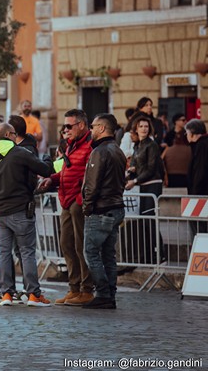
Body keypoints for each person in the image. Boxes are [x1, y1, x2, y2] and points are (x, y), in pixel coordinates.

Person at [0, 122, 54, 307]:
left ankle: (7, 294)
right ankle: (33, 295)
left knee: (3, 251)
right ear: (10, 135)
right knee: (26, 252)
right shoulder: (19, 153)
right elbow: (45, 170)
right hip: (20, 210)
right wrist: (48, 159)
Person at [39, 109, 94, 306]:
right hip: (66, 198)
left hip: (77, 201)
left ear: (81, 125)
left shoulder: (90, 145)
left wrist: (81, 198)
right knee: (66, 243)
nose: (66, 130)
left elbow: (91, 176)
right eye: (64, 127)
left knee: (81, 245)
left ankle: (86, 289)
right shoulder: (71, 145)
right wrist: (51, 179)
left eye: (69, 126)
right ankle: (74, 287)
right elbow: (64, 171)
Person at [81, 113, 126, 309]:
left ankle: (104, 293)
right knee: (108, 254)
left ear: (101, 128)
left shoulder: (99, 152)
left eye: (92, 126)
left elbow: (92, 184)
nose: (90, 130)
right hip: (115, 208)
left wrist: (87, 206)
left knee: (91, 252)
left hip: (101, 209)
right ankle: (110, 294)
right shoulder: (117, 150)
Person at [125, 116, 165, 264]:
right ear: (136, 128)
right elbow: (135, 167)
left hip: (153, 184)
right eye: (141, 126)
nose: (143, 129)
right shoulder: (137, 146)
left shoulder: (151, 145)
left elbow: (151, 168)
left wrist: (134, 180)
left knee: (150, 220)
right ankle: (148, 255)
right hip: (142, 185)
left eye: (146, 126)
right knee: (144, 221)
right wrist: (130, 174)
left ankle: (160, 254)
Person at [185, 119, 208, 236]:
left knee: (200, 231)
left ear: (192, 134)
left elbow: (200, 171)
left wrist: (194, 194)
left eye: (187, 133)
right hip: (201, 194)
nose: (186, 136)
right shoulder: (201, 145)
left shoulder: (201, 146)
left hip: (200, 195)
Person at [162, 113, 191, 188]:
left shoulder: (187, 134)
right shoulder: (169, 134)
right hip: (171, 165)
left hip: (183, 165)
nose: (185, 122)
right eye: (183, 120)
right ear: (176, 121)